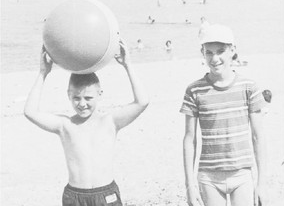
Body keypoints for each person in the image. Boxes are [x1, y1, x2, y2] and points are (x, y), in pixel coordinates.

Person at [24, 41, 149, 206]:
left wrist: (128, 65)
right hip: (75, 196)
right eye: (76, 97)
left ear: (100, 94)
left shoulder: (110, 122)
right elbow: (30, 112)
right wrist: (43, 73)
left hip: (106, 193)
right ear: (68, 95)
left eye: (88, 98)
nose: (82, 104)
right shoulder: (64, 125)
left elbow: (142, 102)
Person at [180, 24, 267, 206]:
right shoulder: (194, 90)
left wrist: (262, 183)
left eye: (221, 51)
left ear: (232, 50)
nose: (215, 58)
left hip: (242, 175)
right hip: (208, 177)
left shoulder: (249, 87)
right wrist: (190, 185)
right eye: (209, 52)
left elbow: (258, 137)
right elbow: (190, 140)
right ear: (202, 52)